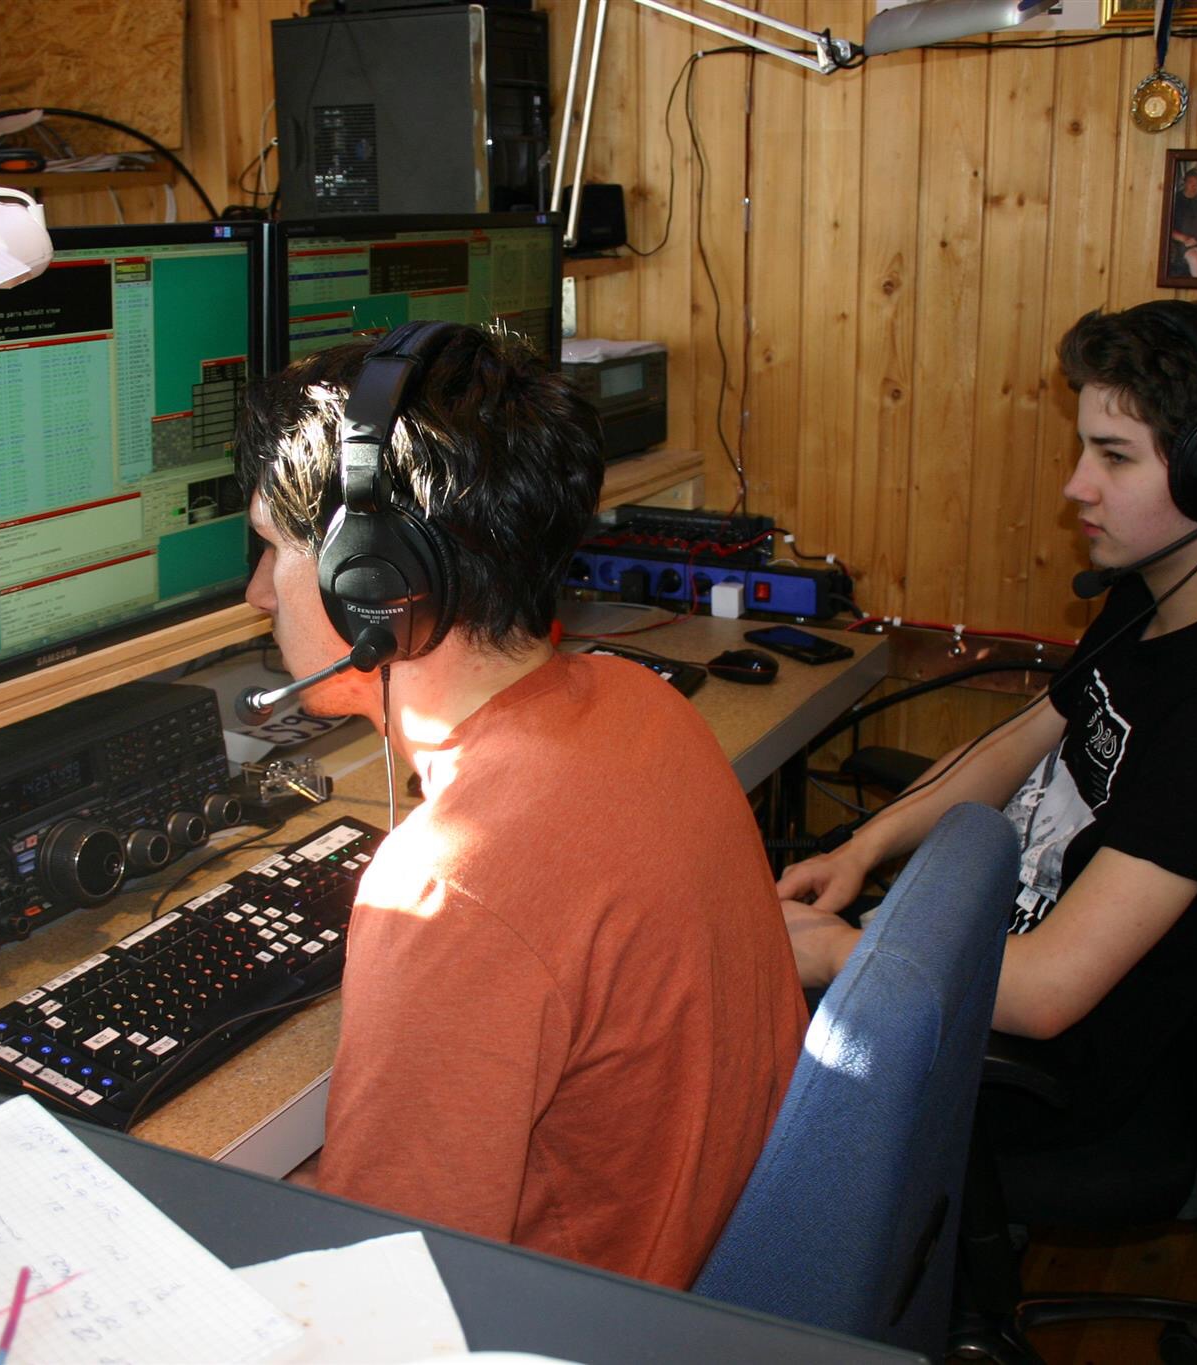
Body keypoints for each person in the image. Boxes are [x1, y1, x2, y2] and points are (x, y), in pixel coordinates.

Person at [236, 322, 806, 1288]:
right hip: (712, 1284)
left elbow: (388, 1295)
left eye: (270, 548)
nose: (257, 593)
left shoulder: (449, 891)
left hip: (575, 1330)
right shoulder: (642, 703)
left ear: (374, 582)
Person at [778, 300, 1197, 1140]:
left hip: (1027, 1064)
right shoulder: (1152, 595)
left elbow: (1045, 994)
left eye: (1114, 455)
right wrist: (861, 848)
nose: (1077, 484)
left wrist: (828, 953)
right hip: (964, 959)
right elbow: (1021, 738)